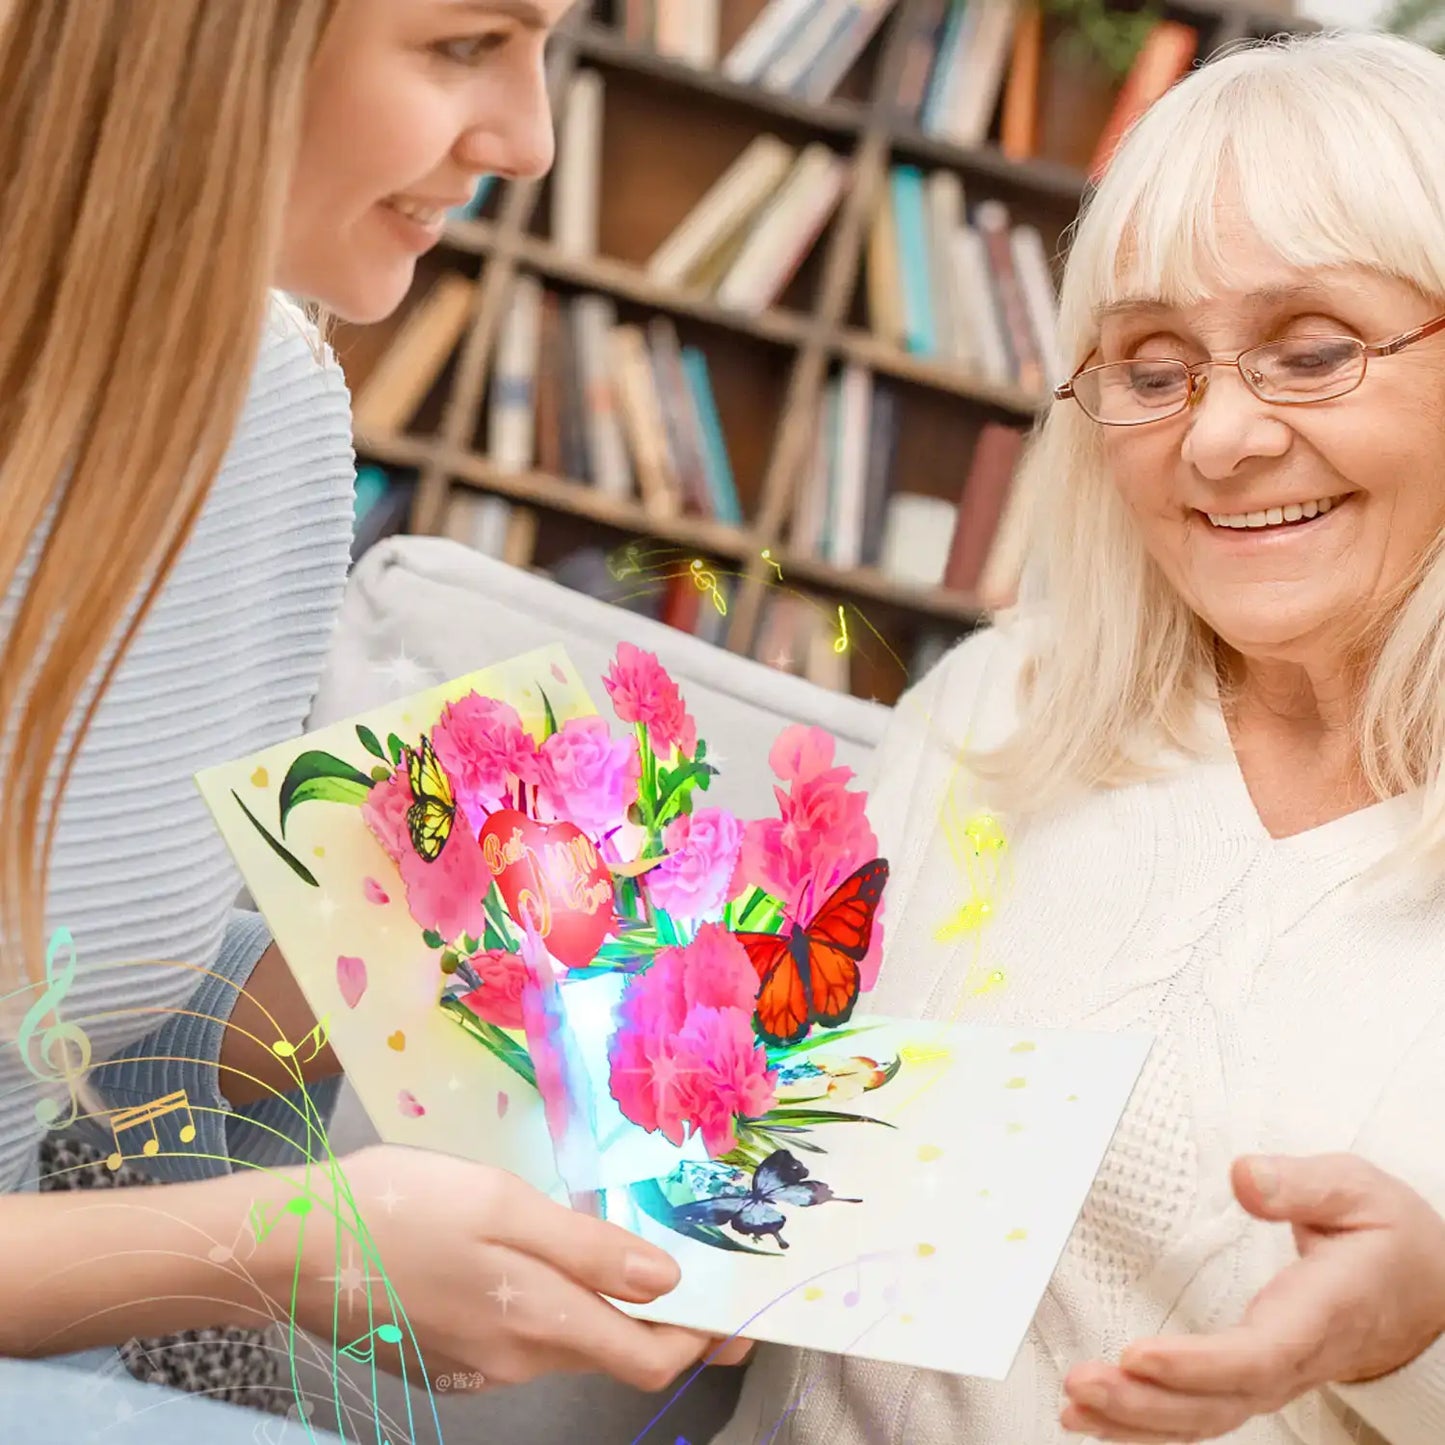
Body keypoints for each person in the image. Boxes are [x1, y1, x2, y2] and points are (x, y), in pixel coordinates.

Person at [0, 3, 742, 1441]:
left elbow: (65, 1021)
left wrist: (435, 966)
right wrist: (286, 1245)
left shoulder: (268, 408)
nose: (528, 142)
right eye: (466, 44)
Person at [712, 27, 1445, 1445]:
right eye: (1151, 366)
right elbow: (752, 1139)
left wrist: (1420, 1328)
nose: (1218, 438)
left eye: (1310, 351)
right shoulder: (1002, 704)